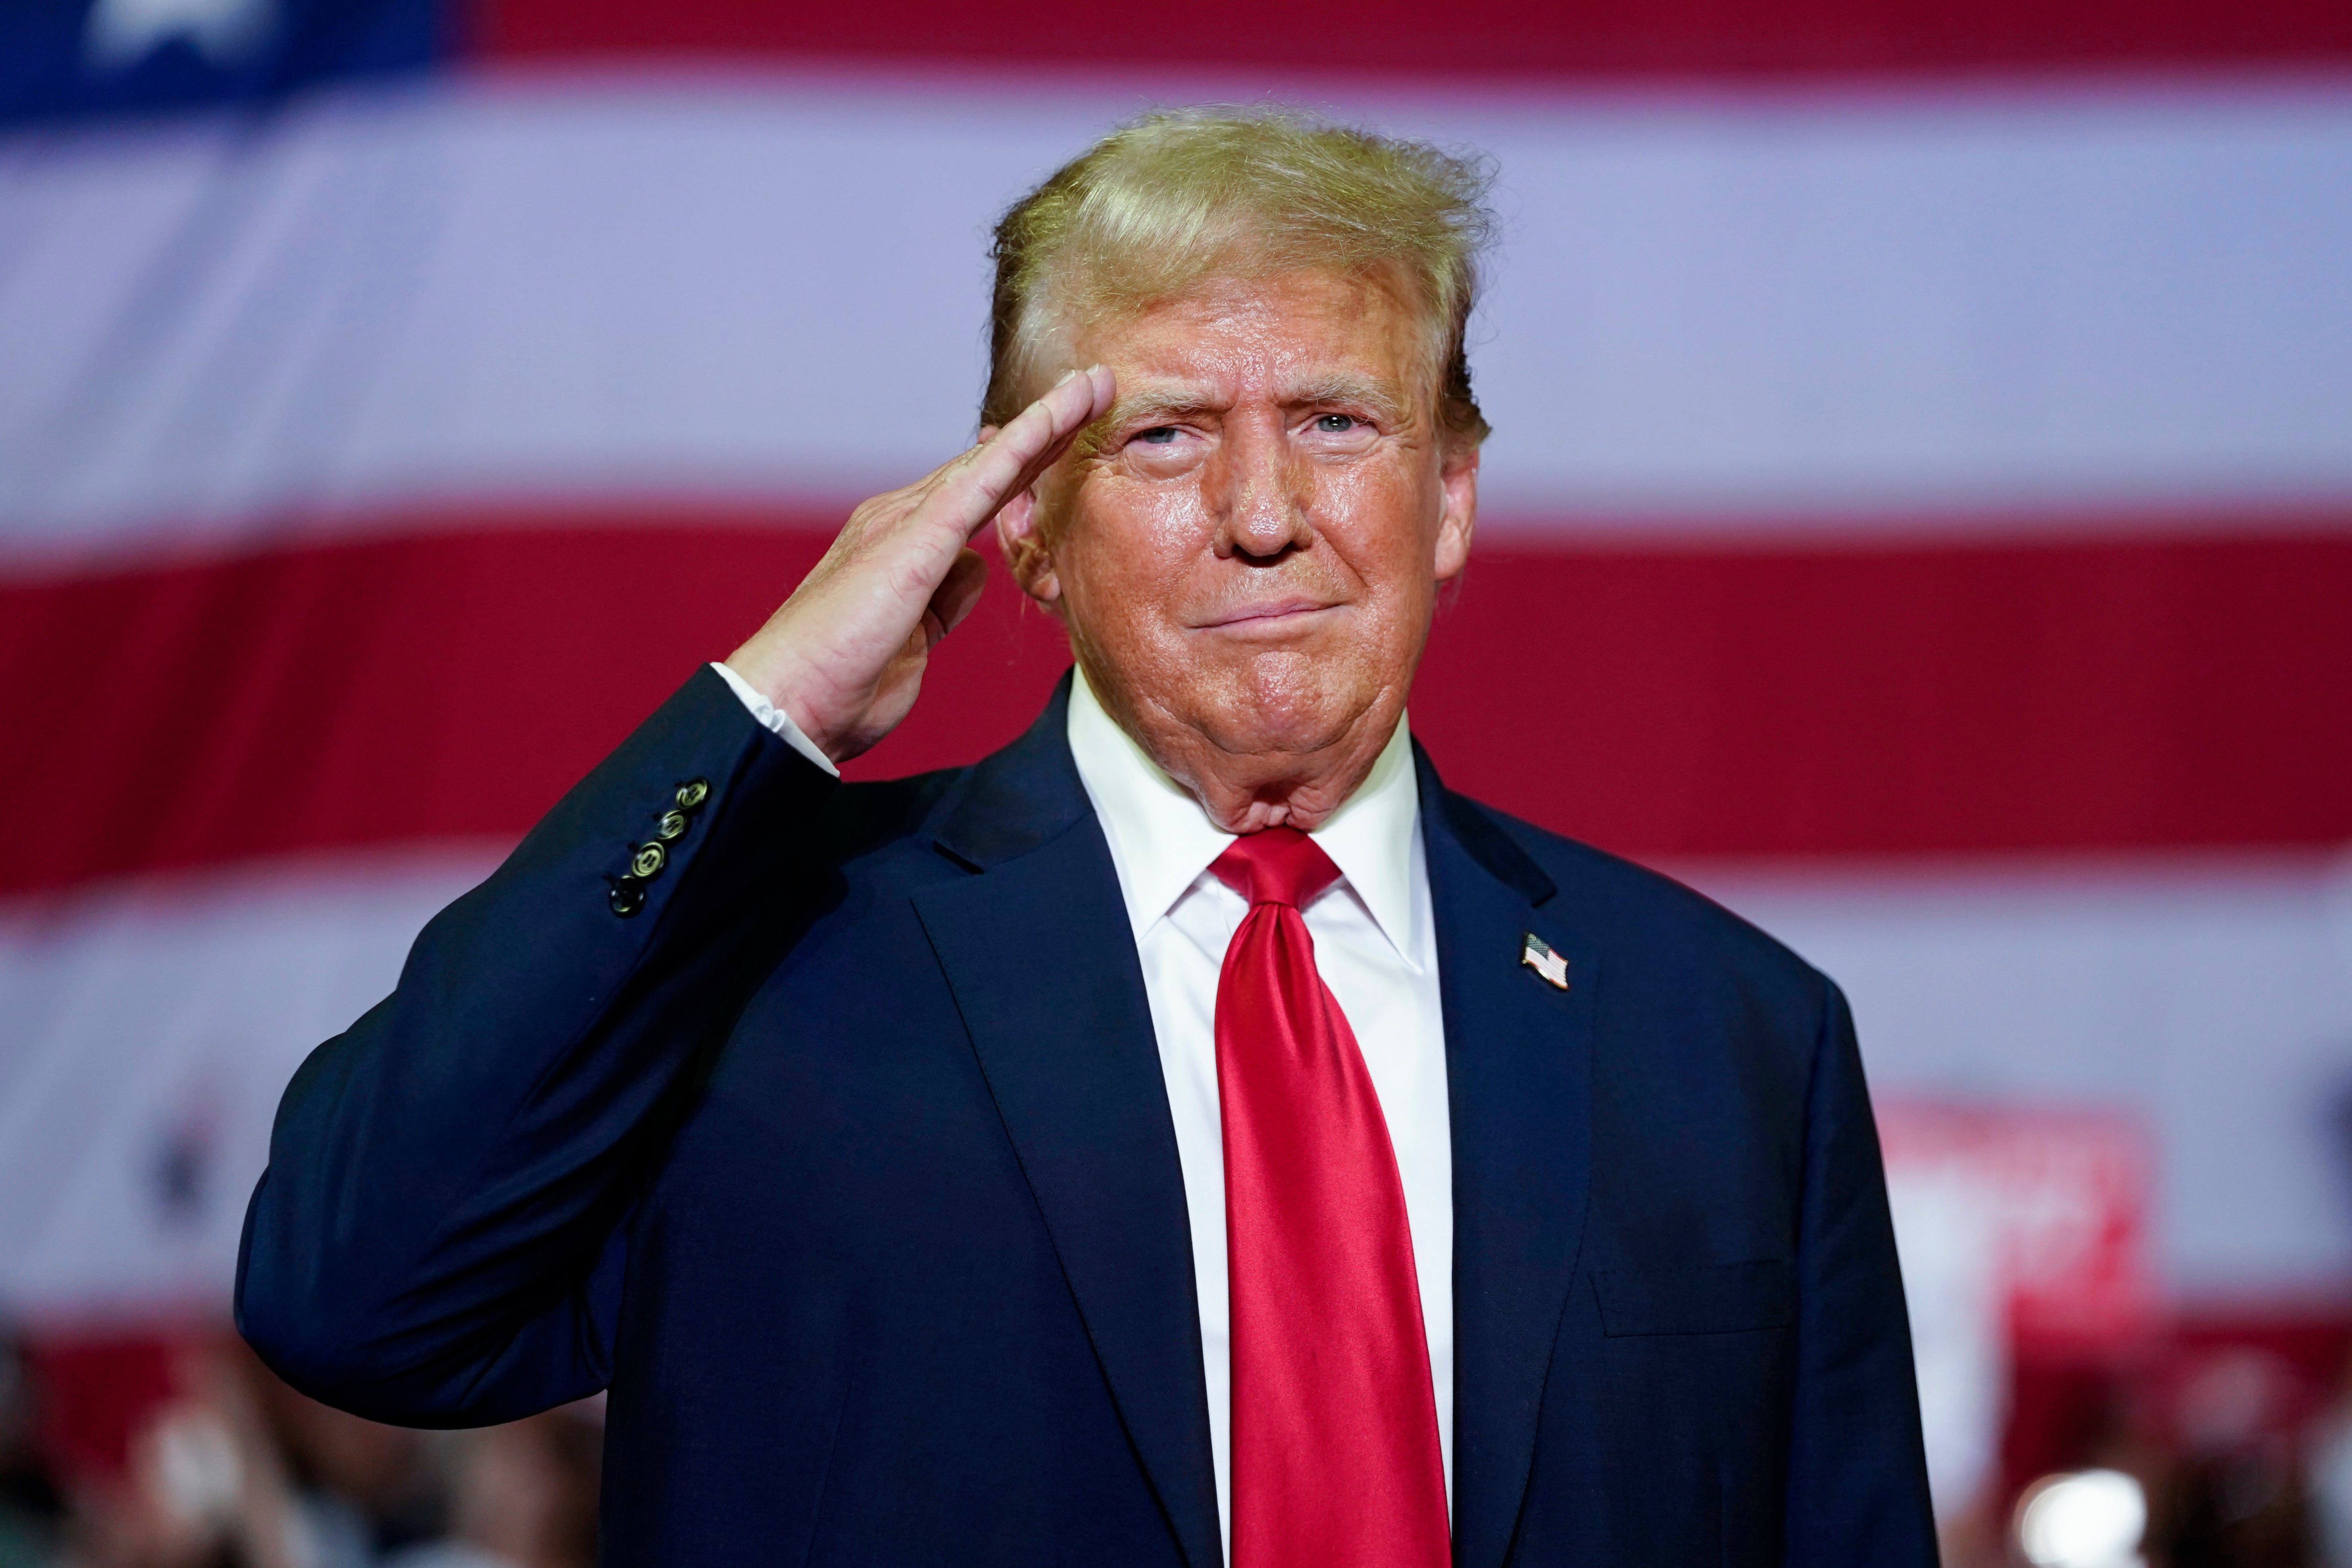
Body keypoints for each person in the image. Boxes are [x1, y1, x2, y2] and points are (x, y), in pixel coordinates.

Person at [235, 109, 1936, 1567]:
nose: (1265, 517)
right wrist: (762, 710)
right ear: (1026, 529)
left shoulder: (1731, 1042)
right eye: (1167, 435)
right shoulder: (766, 970)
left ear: (1454, 496)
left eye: (1339, 422)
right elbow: (350, 1290)